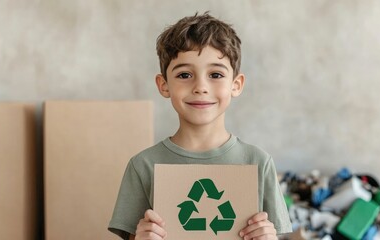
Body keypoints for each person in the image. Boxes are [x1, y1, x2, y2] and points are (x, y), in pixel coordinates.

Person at [108, 12, 292, 240]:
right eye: (185, 74)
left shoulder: (258, 163)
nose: (200, 87)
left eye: (215, 74)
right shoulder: (143, 166)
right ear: (164, 85)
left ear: (236, 85)